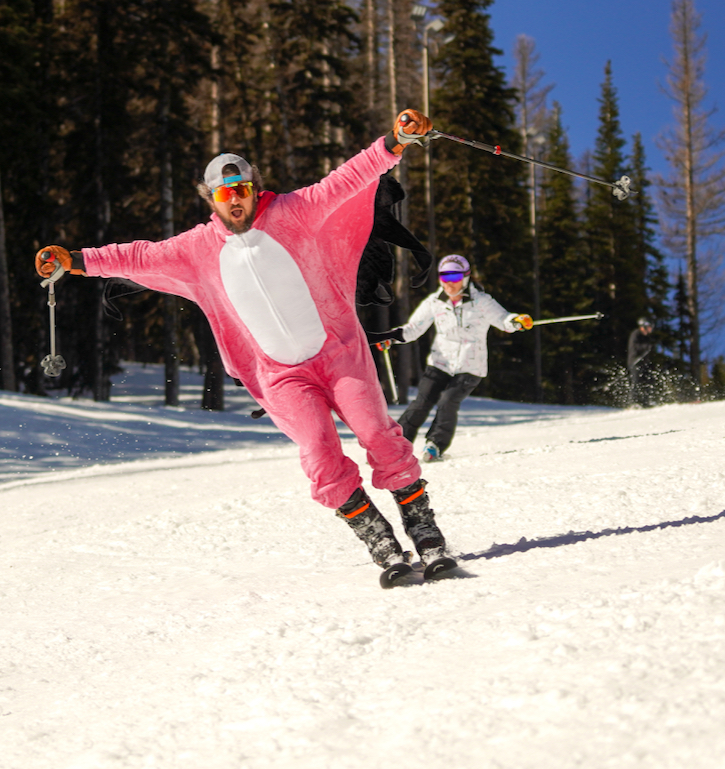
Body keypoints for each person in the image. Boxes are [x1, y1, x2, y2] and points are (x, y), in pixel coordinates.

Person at [34, 109, 457, 585]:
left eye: (242, 189)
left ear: (255, 188)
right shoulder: (195, 249)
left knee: (378, 434)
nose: (235, 200)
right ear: (209, 198)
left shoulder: (294, 211)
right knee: (319, 456)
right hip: (280, 376)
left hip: (338, 353)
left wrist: (393, 143)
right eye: (224, 193)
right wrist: (73, 261)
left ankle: (423, 528)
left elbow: (347, 180)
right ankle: (377, 536)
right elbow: (138, 255)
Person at [370, 254, 533, 463]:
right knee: (422, 402)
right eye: (444, 276)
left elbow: (503, 320)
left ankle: (435, 445)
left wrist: (516, 320)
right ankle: (394, 445)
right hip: (441, 362)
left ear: (465, 278)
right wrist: (390, 338)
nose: (449, 282)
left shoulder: (482, 301)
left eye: (455, 276)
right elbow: (413, 329)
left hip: (470, 365)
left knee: (448, 400)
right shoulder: (434, 303)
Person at [627, 317, 654, 407]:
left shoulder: (646, 337)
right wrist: (645, 346)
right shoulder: (636, 334)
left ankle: (645, 401)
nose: (651, 329)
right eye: (650, 326)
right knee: (636, 382)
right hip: (635, 362)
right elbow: (634, 347)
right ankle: (633, 402)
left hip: (643, 363)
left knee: (647, 381)